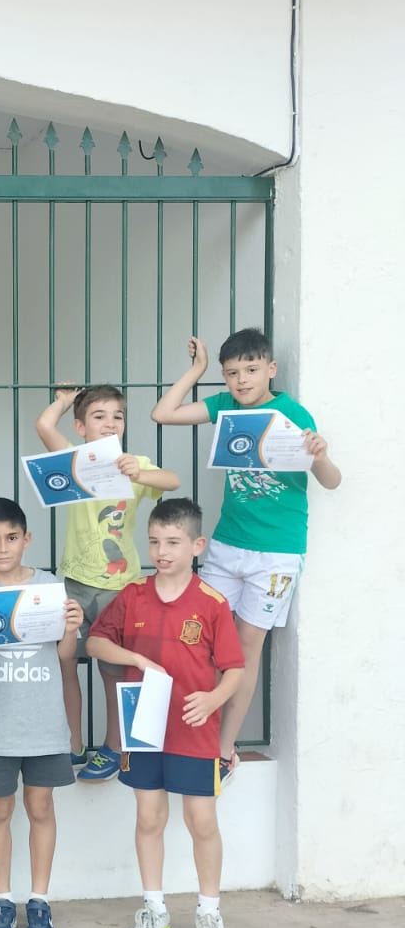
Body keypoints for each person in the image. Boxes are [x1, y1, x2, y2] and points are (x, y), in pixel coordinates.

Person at [151, 330, 341, 778]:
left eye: (252, 370)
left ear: (270, 369)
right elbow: (163, 413)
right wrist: (197, 370)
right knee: (198, 637)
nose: (242, 380)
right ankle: (188, 737)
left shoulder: (292, 414)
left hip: (276, 554)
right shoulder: (225, 406)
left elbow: (331, 481)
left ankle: (223, 749)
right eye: (232, 373)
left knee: (247, 648)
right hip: (227, 545)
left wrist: (319, 455)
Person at [87, 497, 246, 928]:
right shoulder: (133, 594)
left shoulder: (212, 603)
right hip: (143, 723)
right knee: (149, 817)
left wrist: (213, 699)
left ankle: (209, 911)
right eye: (154, 541)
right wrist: (134, 658)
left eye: (173, 542)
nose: (162, 551)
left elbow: (234, 669)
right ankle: (154, 908)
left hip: (193, 729)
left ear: (197, 545)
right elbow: (96, 642)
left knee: (201, 821)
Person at [0, 498, 83, 928]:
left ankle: (40, 900)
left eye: (11, 538)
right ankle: (2, 900)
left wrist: (71, 627)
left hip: (45, 723)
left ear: (27, 539)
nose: (3, 548)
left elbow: (65, 657)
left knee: (41, 807)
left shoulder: (49, 586)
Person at [36, 383, 178, 782]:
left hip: (119, 588)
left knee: (112, 671)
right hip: (74, 584)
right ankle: (72, 744)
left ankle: (114, 748)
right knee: (64, 663)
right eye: (99, 417)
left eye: (118, 416)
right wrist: (66, 401)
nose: (110, 423)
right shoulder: (74, 461)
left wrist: (139, 471)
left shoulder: (135, 464)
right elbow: (44, 425)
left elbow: (172, 480)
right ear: (81, 427)